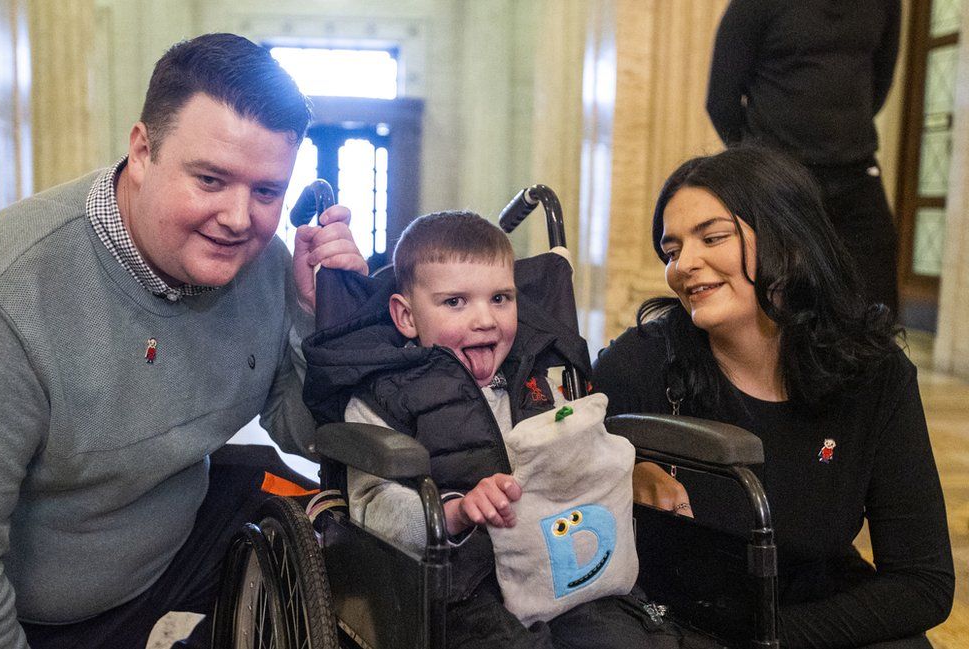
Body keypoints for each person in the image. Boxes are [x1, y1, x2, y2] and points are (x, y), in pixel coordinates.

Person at [0, 33, 367, 649]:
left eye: (266, 191)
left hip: (180, 534)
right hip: (47, 614)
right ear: (142, 150)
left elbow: (307, 435)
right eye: (211, 179)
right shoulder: (14, 298)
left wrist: (312, 316)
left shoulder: (266, 266)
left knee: (360, 531)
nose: (240, 218)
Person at [593, 147, 954, 649]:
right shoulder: (643, 363)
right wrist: (615, 471)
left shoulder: (873, 375)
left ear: (790, 242)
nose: (683, 266)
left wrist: (771, 639)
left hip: (801, 617)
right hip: (676, 624)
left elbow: (923, 582)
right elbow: (550, 469)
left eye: (712, 237)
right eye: (671, 250)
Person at [301, 212, 700, 648]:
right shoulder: (383, 394)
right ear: (407, 317)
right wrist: (454, 513)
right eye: (455, 302)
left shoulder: (541, 378)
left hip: (562, 569)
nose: (485, 319)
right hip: (457, 590)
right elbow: (374, 508)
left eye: (500, 299)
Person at [706, 0, 902, 315]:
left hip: (856, 172)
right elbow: (721, 99)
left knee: (877, 310)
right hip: (780, 182)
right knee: (783, 309)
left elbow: (880, 83)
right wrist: (760, 165)